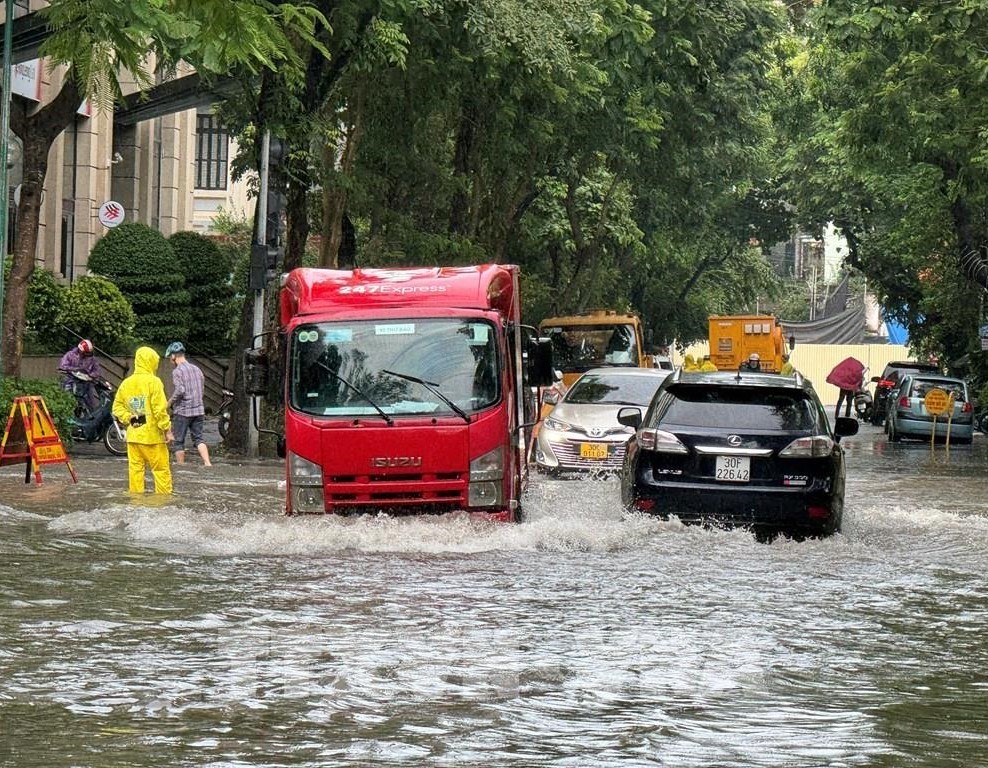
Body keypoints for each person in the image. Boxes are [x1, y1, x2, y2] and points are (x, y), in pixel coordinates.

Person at [112, 346, 174, 494]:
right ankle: (163, 504)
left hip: (134, 437)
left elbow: (117, 407)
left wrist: (129, 418)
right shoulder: (154, 382)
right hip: (153, 437)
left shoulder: (126, 383)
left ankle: (136, 503)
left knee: (135, 473)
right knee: (160, 471)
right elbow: (160, 410)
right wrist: (167, 430)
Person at [165, 341, 213, 467]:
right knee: (198, 439)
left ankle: (180, 466)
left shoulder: (177, 371)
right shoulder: (197, 369)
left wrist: (169, 402)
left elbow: (180, 390)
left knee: (179, 441)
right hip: (198, 410)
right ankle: (208, 463)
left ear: (174, 356)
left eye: (170, 356)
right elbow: (202, 388)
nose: (170, 359)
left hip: (183, 411)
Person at [58, 339, 102, 412]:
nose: (87, 355)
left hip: (86, 384)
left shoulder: (92, 359)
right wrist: (74, 369)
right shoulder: (70, 355)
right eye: (85, 353)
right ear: (80, 350)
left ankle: (92, 417)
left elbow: (97, 370)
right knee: (68, 400)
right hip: (70, 381)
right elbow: (62, 366)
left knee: (91, 403)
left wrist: (91, 375)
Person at [826, 356, 865, 420]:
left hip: (844, 387)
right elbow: (858, 377)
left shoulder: (846, 369)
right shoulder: (854, 370)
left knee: (840, 400)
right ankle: (847, 415)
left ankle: (837, 415)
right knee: (849, 402)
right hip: (850, 387)